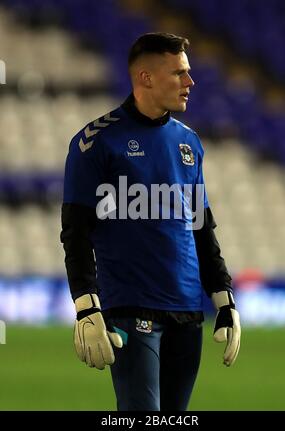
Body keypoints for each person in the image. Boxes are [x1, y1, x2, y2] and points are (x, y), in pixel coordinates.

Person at [60, 32, 241, 411]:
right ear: (145, 78)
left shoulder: (190, 143)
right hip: (130, 308)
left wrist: (223, 298)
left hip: (189, 312)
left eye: (187, 73)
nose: (190, 82)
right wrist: (86, 306)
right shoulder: (95, 143)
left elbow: (201, 228)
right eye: (179, 73)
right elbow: (76, 233)